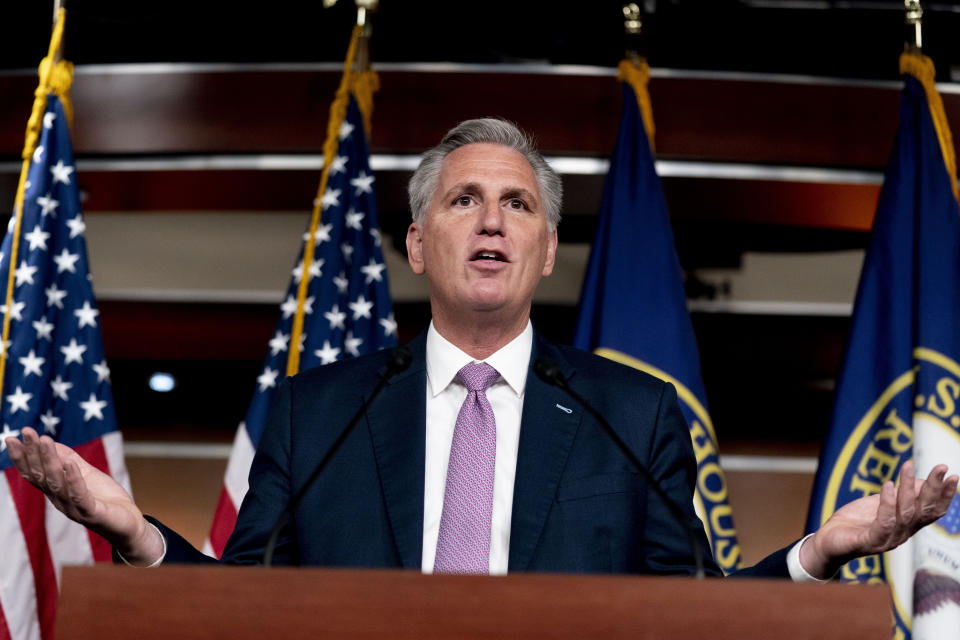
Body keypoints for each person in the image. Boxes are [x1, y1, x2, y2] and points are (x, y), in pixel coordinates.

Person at [5, 119, 958, 578]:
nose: (491, 222)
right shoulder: (318, 415)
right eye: (463, 200)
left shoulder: (631, 417)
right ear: (418, 246)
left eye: (518, 205)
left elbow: (700, 617)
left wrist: (819, 549)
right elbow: (240, 611)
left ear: (547, 249)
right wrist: (135, 533)